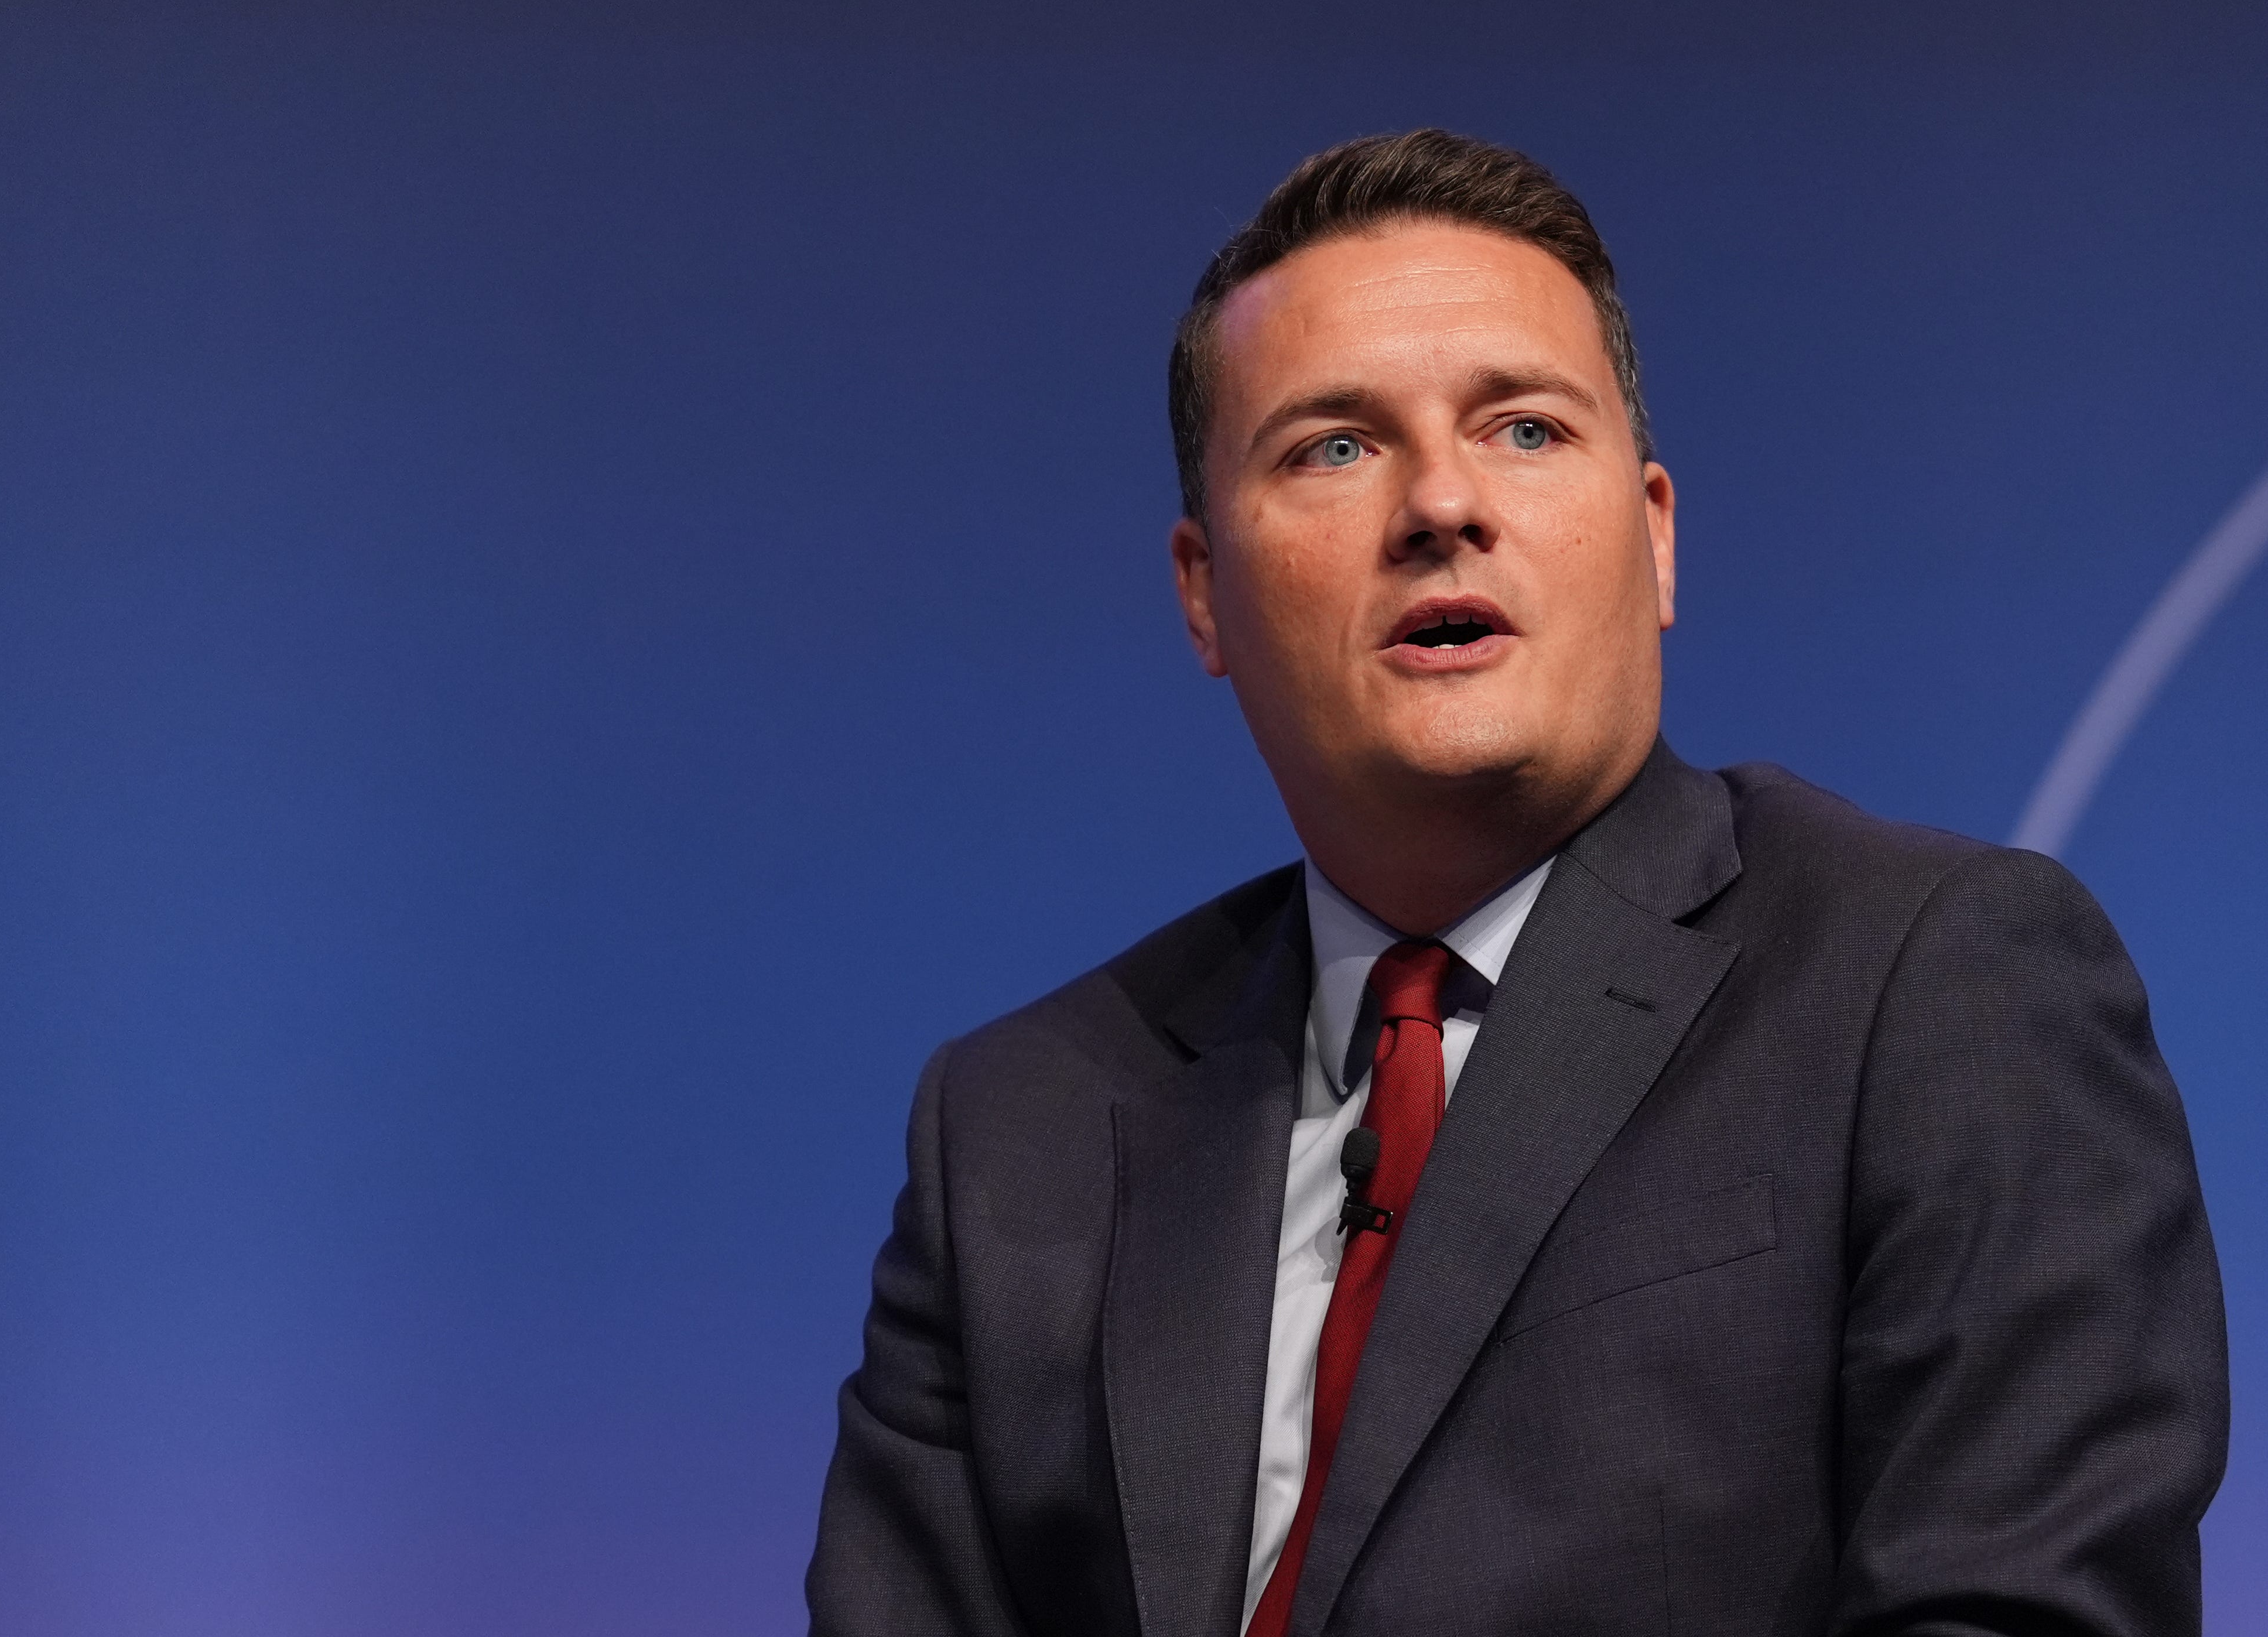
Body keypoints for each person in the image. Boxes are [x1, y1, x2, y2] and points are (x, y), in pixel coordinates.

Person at [805, 129, 2228, 1637]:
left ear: (1656, 534)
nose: (1438, 501)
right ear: (1204, 590)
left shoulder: (1928, 983)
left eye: (1526, 430)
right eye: (1331, 446)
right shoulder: (1013, 1128)